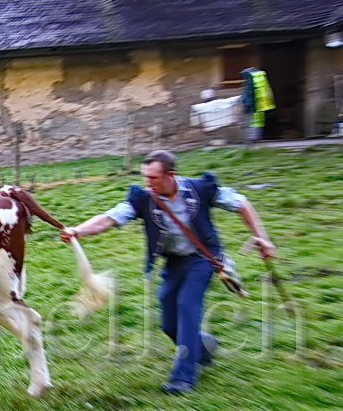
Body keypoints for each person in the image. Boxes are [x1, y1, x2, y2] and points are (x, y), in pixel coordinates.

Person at [58, 150, 275, 394]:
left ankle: (183, 377)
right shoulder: (144, 199)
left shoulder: (200, 189)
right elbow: (110, 218)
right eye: (145, 177)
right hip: (173, 262)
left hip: (204, 258)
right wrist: (78, 230)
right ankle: (204, 346)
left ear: (170, 175)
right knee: (168, 323)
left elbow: (241, 203)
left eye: (153, 178)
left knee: (187, 305)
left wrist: (262, 238)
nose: (147, 183)